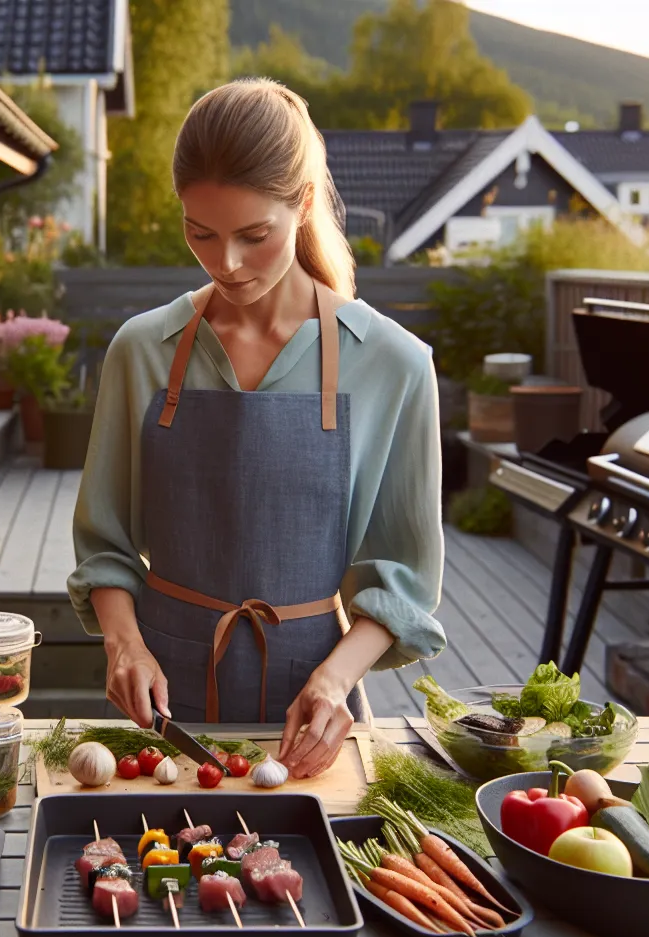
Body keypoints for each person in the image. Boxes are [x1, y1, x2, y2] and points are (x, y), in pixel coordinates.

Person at [68, 79, 446, 779]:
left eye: (254, 236)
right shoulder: (141, 350)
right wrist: (124, 645)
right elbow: (106, 545)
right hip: (163, 717)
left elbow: (403, 580)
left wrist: (335, 681)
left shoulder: (393, 364)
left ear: (302, 204)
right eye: (201, 233)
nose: (227, 264)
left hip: (313, 714)